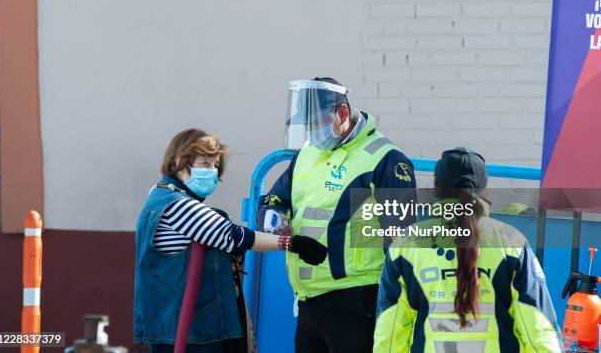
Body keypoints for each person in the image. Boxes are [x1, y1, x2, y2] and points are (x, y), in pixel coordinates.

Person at [255, 78, 417, 353]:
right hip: (309, 298)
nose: (311, 131)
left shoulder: (385, 158)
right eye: (307, 124)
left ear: (343, 113)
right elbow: (274, 198)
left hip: (358, 298)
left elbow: (402, 238)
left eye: (316, 122)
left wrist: (398, 303)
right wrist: (272, 216)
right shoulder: (308, 154)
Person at [134, 128, 328, 353]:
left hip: (178, 324)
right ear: (180, 162)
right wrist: (293, 244)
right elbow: (233, 236)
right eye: (205, 164)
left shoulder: (158, 196)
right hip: (190, 331)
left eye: (215, 165)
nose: (212, 171)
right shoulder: (178, 205)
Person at [374, 147, 562, 352]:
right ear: (485, 190)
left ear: (436, 189)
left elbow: (390, 334)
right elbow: (539, 330)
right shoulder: (512, 242)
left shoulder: (405, 245)